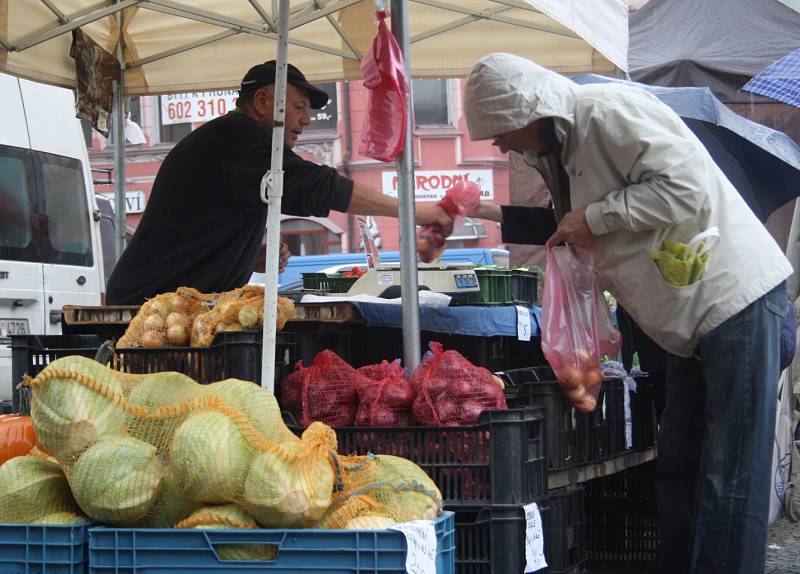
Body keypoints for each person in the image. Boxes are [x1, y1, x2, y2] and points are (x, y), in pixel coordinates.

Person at [465, 53, 792, 574]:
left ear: (530, 108)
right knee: (681, 464)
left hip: (737, 301)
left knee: (731, 472)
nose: (501, 145)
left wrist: (595, 217)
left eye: (502, 131)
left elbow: (682, 187)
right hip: (690, 323)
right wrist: (484, 211)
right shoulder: (560, 147)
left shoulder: (605, 111)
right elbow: (567, 222)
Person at [106, 61, 453, 304]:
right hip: (146, 310)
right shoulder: (239, 137)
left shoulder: (233, 145)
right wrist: (417, 212)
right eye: (299, 107)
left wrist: (248, 255)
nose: (305, 121)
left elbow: (198, 227)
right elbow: (317, 185)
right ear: (261, 102)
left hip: (166, 303)